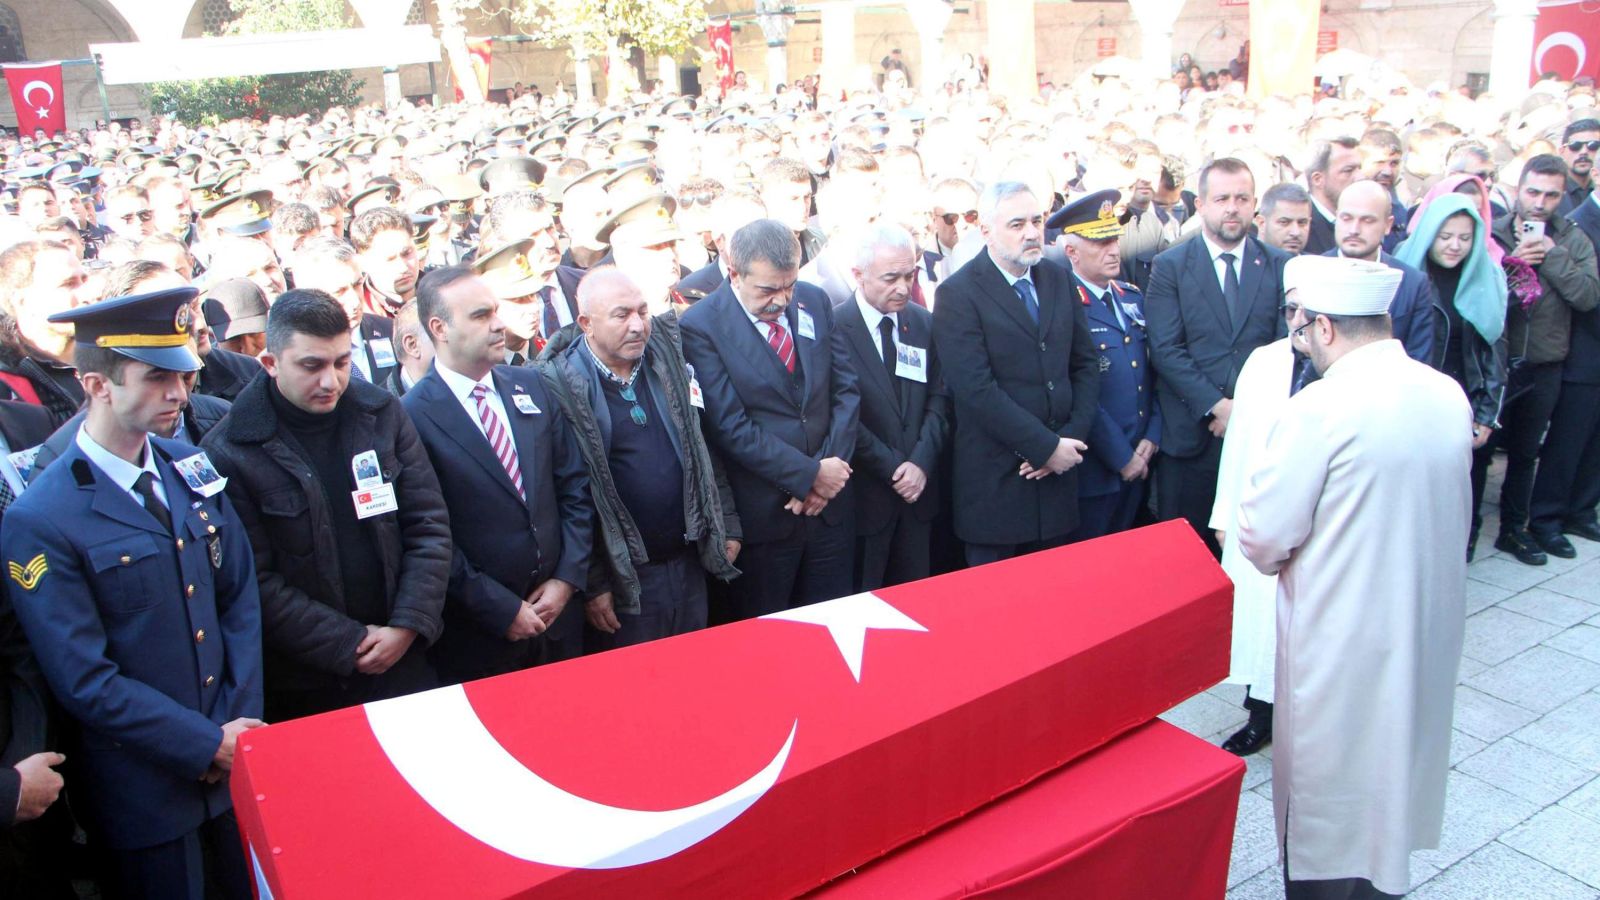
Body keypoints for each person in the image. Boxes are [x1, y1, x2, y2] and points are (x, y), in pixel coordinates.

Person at [2, 286, 264, 900]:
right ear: (97, 385)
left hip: (234, 763)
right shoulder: (43, 515)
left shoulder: (189, 469)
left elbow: (238, 599)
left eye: (183, 376)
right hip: (145, 792)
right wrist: (204, 743)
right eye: (156, 378)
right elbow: (83, 677)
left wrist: (237, 728)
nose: (179, 394)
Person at [1237, 256, 1472, 900]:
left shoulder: (1320, 406)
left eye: (1301, 327)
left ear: (1324, 327)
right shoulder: (1445, 392)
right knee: (1397, 767)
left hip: (1340, 637)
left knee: (1328, 789)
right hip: (1423, 625)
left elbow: (1263, 538)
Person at [202, 289, 449, 721]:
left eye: (341, 362)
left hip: (405, 660)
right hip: (308, 685)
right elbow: (253, 580)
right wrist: (346, 642)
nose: (331, 381)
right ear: (270, 363)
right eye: (311, 366)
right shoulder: (230, 450)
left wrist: (408, 623)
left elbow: (428, 524)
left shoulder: (382, 414)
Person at [536, 267, 742, 650]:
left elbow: (701, 447)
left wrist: (725, 523)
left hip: (689, 562)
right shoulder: (556, 386)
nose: (637, 325)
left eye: (642, 312)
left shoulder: (668, 357)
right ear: (586, 324)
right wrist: (594, 583)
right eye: (621, 315)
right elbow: (568, 496)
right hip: (625, 583)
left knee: (696, 666)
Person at [403, 267, 593, 679]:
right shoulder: (411, 417)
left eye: (495, 311)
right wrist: (500, 608)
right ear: (439, 328)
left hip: (561, 620)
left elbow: (574, 487)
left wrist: (566, 579)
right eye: (480, 316)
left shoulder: (531, 386)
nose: (498, 324)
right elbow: (428, 534)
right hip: (482, 640)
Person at [680, 219, 860, 619]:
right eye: (767, 290)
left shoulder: (813, 300)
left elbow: (845, 390)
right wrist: (809, 476)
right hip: (767, 519)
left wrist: (828, 475)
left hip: (830, 512)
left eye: (789, 285)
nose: (782, 300)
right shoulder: (700, 326)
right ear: (734, 273)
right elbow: (730, 426)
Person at [933, 182, 1099, 564]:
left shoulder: (1058, 279)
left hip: (1058, 484)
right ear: (986, 231)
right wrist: (1044, 447)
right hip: (998, 490)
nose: (1031, 233)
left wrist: (1069, 441)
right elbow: (975, 390)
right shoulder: (958, 294)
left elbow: (1085, 365)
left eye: (1036, 221)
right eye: (1017, 224)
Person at [1146, 158, 1290, 558]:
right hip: (1191, 436)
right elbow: (1166, 348)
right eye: (1222, 198)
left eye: (1242, 199)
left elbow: (1285, 346)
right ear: (1201, 205)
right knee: (1184, 559)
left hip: (1259, 437)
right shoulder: (1170, 266)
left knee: (1249, 557)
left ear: (1255, 205)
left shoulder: (1279, 266)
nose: (1232, 208)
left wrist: (1245, 410)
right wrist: (1218, 406)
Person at [1485, 155, 1600, 564]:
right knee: (1481, 454)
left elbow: (1588, 296)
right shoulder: (1493, 232)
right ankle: (1468, 533)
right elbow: (1480, 296)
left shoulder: (1571, 238)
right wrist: (1513, 263)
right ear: (1518, 189)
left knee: (1524, 454)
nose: (1540, 202)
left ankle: (1516, 530)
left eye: (1551, 195)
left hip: (1546, 362)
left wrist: (1552, 257)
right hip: (1498, 362)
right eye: (1533, 192)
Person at [834, 224, 950, 589]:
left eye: (909, 275)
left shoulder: (923, 322)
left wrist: (921, 462)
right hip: (867, 499)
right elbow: (841, 413)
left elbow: (940, 397)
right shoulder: (834, 328)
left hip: (919, 496)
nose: (902, 288)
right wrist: (894, 467)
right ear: (859, 274)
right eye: (890, 278)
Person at [1394, 193, 1509, 559]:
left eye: (1464, 237)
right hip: (1415, 399)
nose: (1455, 246)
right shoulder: (1404, 272)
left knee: (1464, 482)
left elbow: (1495, 352)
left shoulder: (1486, 277)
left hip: (1464, 400)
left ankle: (1461, 544)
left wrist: (1487, 415)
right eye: (1445, 236)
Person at [1054, 190, 1160, 540]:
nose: (1114, 249)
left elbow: (1154, 373)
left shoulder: (1131, 297)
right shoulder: (1064, 306)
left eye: (1114, 238)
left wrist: (1152, 436)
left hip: (1142, 459)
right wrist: (1121, 456)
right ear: (1072, 252)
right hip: (1097, 469)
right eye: (1101, 243)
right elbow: (1077, 391)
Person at [1531, 175, 1600, 550]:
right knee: (1567, 442)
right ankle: (1547, 518)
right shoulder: (1579, 223)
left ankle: (1581, 511)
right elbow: (1584, 296)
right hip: (1581, 349)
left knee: (1594, 444)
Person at [1328, 180, 1437, 364]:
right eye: (1346, 218)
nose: (1354, 229)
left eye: (1367, 220)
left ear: (1388, 225)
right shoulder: (1310, 273)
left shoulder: (1411, 283)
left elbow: (1418, 361)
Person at [0, 241, 91, 426]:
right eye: (68, 284)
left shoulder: (111, 357)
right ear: (21, 300)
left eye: (84, 281)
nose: (86, 295)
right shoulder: (6, 384)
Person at [294, 237, 398, 385]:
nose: (355, 301)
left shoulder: (391, 330)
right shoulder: (294, 354)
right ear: (308, 296)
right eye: (339, 292)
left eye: (357, 284)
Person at [350, 206, 422, 317]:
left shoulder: (444, 293)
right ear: (364, 264)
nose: (403, 267)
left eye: (407, 253)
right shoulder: (357, 315)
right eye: (390, 259)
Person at [1303, 138, 1362, 256]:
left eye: (1359, 169)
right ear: (1317, 179)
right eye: (1348, 170)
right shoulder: (1301, 227)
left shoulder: (1364, 220)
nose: (1360, 177)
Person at [1255, 183, 1313, 256]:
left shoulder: (1317, 263)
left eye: (1302, 223)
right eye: (1284, 222)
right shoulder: (1245, 261)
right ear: (1262, 223)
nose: (1295, 232)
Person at [1556, 118, 1597, 215]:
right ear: (1562, 151)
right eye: (1575, 145)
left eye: (1593, 145)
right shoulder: (1550, 190)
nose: (1584, 152)